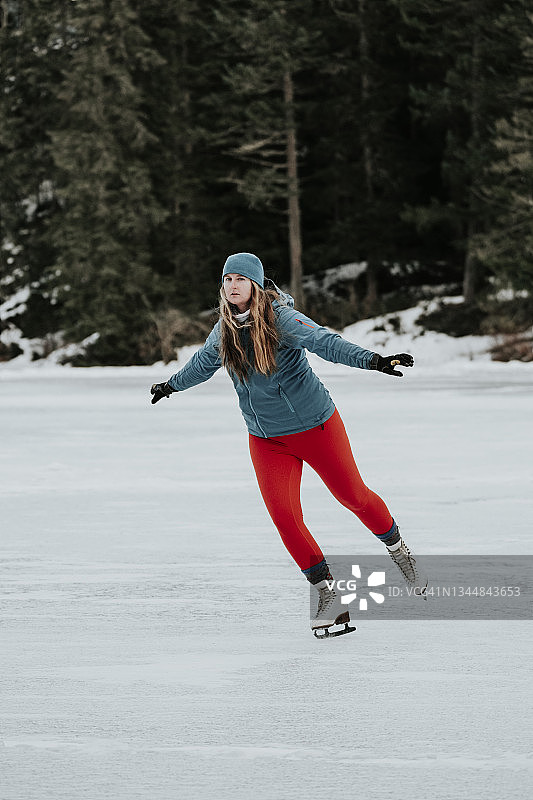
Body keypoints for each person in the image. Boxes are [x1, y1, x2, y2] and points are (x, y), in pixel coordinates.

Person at [151, 252, 427, 637]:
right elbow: (201, 364)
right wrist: (170, 386)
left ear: (255, 285)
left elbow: (323, 341)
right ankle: (329, 594)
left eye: (240, 280)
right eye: (227, 279)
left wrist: (374, 360)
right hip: (266, 440)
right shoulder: (224, 329)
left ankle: (401, 553)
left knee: (354, 497)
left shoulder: (282, 319)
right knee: (284, 516)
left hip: (316, 427)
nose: (232, 286)